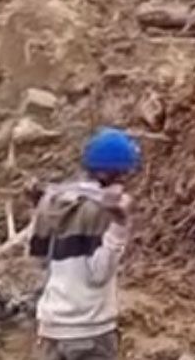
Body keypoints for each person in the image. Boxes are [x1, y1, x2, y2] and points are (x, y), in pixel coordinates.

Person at [31, 128, 140, 360]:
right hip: (90, 329)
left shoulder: (52, 201)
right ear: (117, 174)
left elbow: (39, 259)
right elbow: (99, 273)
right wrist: (120, 225)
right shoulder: (101, 210)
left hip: (51, 326)